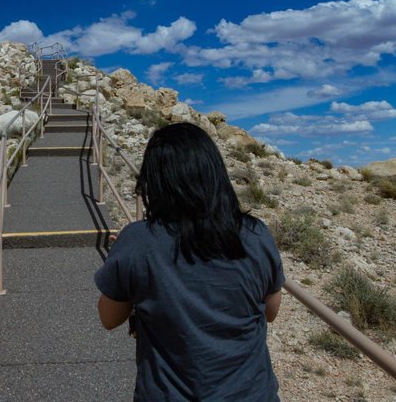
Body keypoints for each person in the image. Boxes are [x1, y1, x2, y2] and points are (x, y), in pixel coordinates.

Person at [94, 122, 284, 401]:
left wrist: (126, 266)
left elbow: (109, 318)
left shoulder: (137, 242)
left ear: (155, 182)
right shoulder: (256, 235)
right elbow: (270, 311)